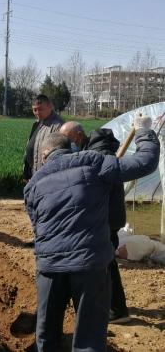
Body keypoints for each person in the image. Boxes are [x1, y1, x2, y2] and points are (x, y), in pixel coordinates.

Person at [24, 117, 159, 352]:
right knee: (89, 339)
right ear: (70, 147)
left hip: (49, 268)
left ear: (45, 154)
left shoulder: (33, 184)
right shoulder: (95, 163)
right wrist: (144, 131)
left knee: (46, 336)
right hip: (89, 264)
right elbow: (145, 162)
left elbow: (38, 226)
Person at [59, 121, 130, 324]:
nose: (66, 144)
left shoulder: (99, 154)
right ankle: (112, 304)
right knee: (105, 260)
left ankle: (118, 309)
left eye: (68, 140)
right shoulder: (95, 150)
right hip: (107, 214)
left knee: (106, 261)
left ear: (78, 136)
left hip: (106, 215)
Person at [23, 94, 64, 181]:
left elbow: (57, 155)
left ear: (50, 107)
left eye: (40, 109)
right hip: (34, 174)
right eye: (34, 110)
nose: (37, 113)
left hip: (46, 177)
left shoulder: (58, 126)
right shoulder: (37, 123)